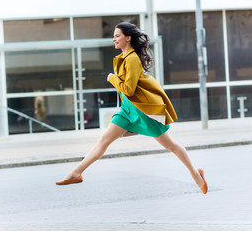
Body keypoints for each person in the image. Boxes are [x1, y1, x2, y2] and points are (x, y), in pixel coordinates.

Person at [55, 22, 208, 194]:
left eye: (117, 35)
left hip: (142, 111)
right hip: (127, 110)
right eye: (114, 36)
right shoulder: (122, 58)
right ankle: (76, 173)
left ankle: (196, 174)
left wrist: (112, 78)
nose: (114, 39)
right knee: (104, 139)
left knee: (170, 145)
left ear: (128, 38)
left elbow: (129, 89)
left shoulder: (133, 59)